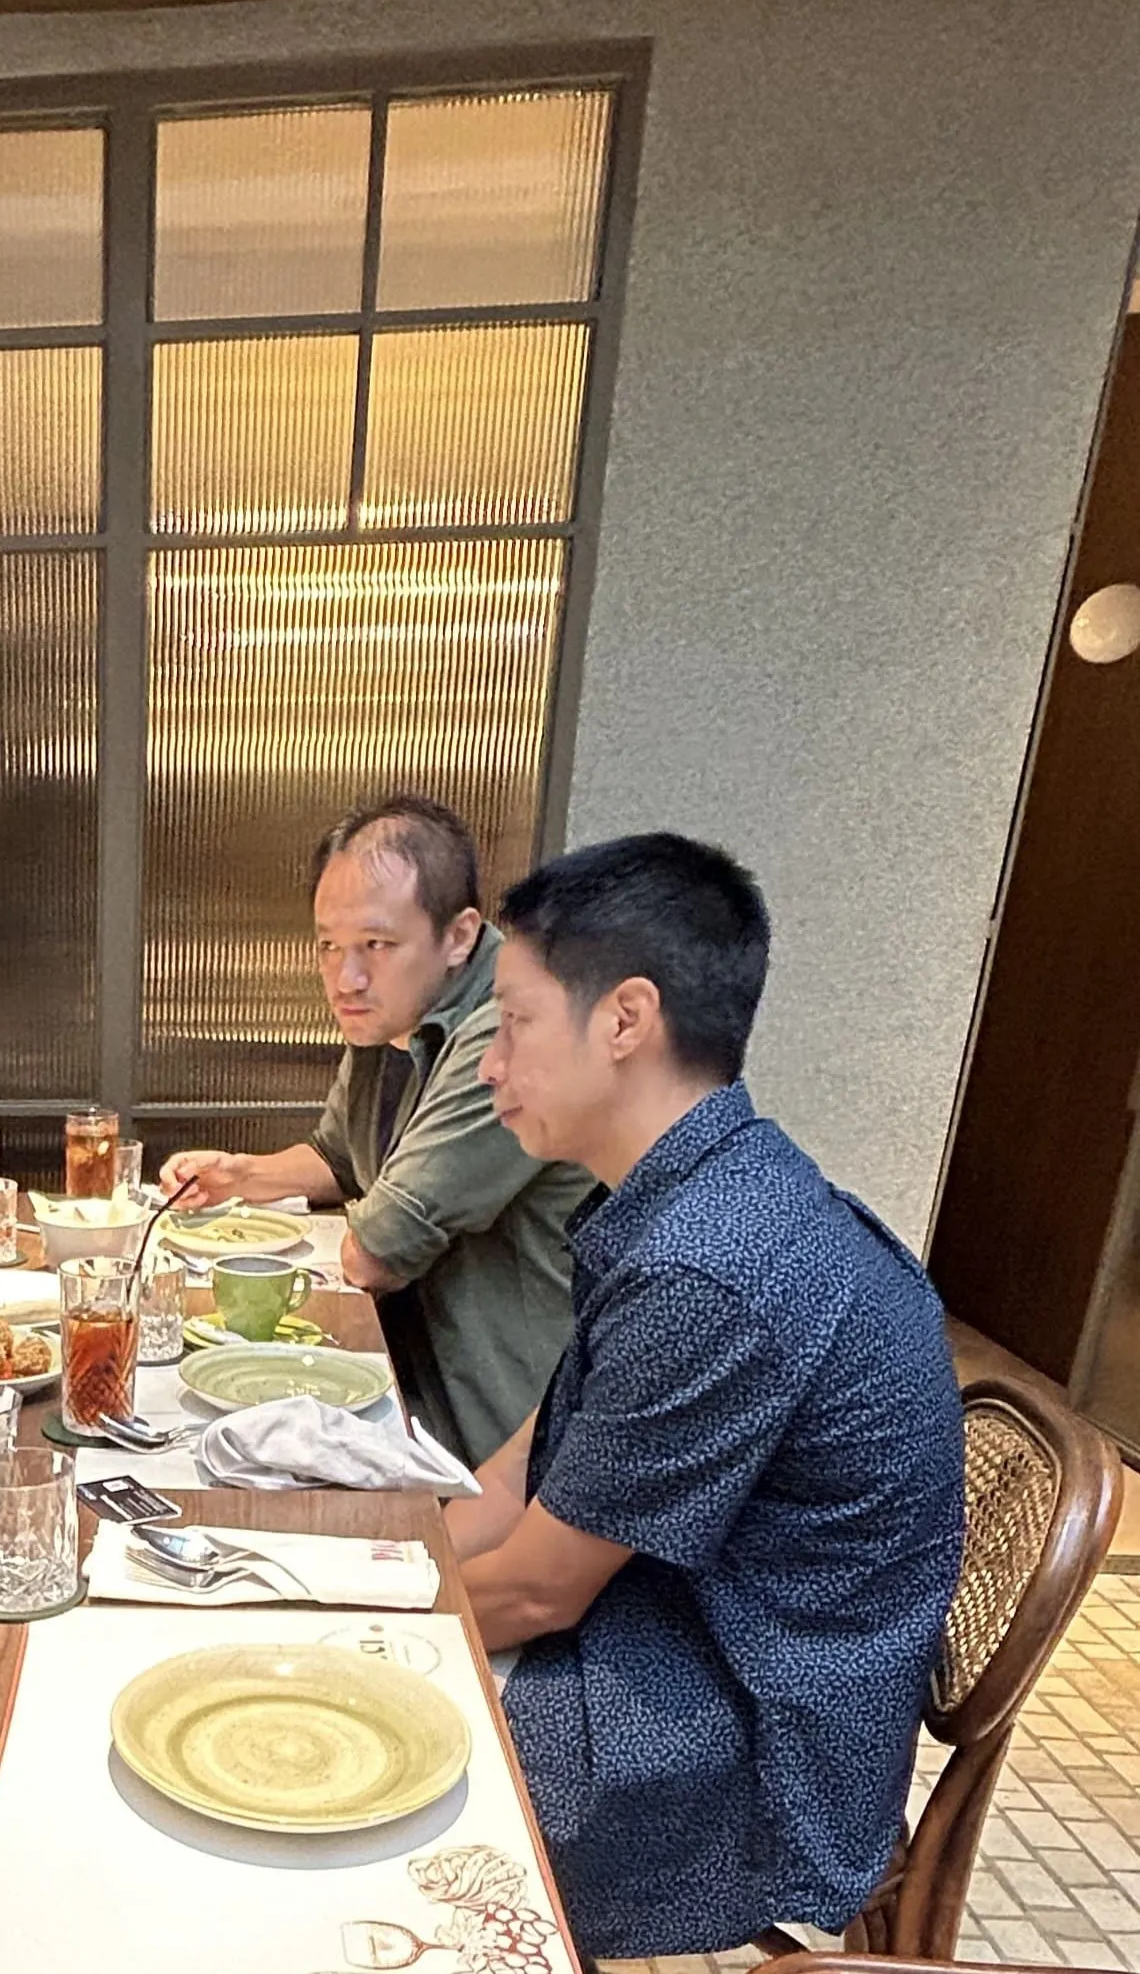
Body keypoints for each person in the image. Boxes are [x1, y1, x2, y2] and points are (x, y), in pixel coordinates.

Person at [452, 833, 964, 1960]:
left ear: (625, 1019)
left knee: (364, 1768)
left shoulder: (709, 1263)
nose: (490, 1064)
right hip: (682, 1635)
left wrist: (364, 1626)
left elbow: (538, 1592)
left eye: (515, 1022)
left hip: (758, 1752)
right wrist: (381, 1565)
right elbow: (526, 1467)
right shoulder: (696, 1197)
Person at [161, 795, 591, 1464]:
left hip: (498, 1436)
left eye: (377, 945)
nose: (346, 978)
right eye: (328, 946)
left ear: (459, 936)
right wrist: (241, 1176)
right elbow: (340, 1159)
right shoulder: (395, 1008)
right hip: (409, 1389)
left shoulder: (505, 1035)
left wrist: (366, 1220)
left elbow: (377, 1253)